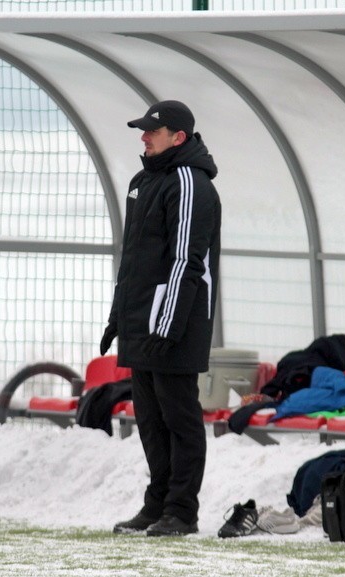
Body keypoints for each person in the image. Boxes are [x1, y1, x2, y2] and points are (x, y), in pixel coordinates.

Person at [100, 100, 221, 537]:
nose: (144, 136)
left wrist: (167, 327)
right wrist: (118, 317)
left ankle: (182, 511)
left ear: (179, 137)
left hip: (175, 325)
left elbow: (186, 261)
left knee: (179, 418)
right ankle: (157, 505)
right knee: (150, 421)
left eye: (153, 130)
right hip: (142, 324)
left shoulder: (191, 183)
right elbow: (133, 260)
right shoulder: (141, 181)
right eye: (143, 129)